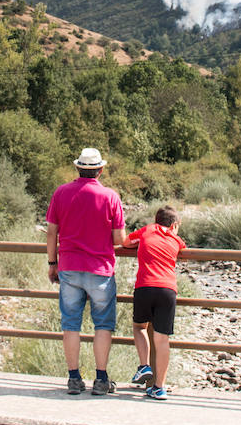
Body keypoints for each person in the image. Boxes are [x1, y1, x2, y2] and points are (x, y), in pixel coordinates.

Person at [45, 147, 124, 396]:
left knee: (71, 324)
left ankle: (74, 378)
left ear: (78, 168)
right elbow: (119, 239)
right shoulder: (110, 197)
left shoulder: (61, 193)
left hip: (69, 267)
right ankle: (101, 379)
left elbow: (51, 232)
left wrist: (51, 263)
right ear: (100, 170)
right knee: (102, 325)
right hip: (100, 269)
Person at [122, 205, 185, 400]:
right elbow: (182, 249)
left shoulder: (147, 230)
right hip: (167, 289)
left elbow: (126, 242)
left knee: (140, 327)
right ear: (174, 225)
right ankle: (159, 387)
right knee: (162, 338)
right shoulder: (177, 240)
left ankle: (144, 366)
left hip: (144, 286)